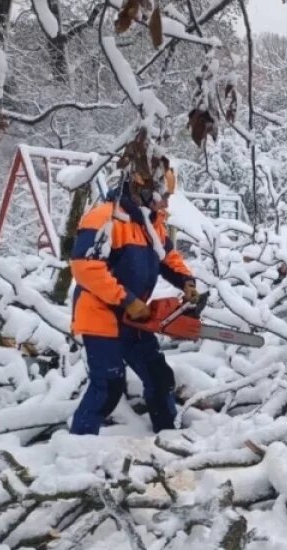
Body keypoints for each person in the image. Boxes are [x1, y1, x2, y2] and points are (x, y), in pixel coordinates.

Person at [69, 156, 198, 435]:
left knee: (159, 375)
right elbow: (84, 267)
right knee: (109, 385)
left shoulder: (151, 224)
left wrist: (186, 281)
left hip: (134, 316)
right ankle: (78, 444)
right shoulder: (105, 218)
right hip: (101, 315)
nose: (165, 203)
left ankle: (168, 437)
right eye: (162, 196)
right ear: (143, 189)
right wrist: (126, 299)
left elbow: (168, 258)